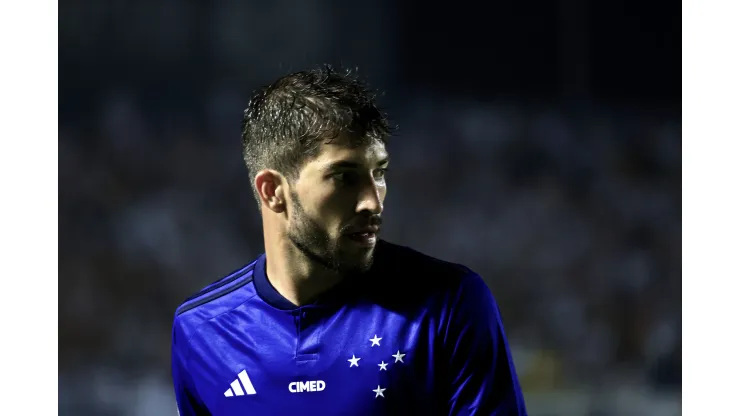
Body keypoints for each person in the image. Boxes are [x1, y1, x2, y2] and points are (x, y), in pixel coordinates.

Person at [171, 65, 528, 415]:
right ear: (273, 191)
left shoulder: (448, 305)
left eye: (379, 173)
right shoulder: (202, 331)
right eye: (345, 178)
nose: (373, 201)